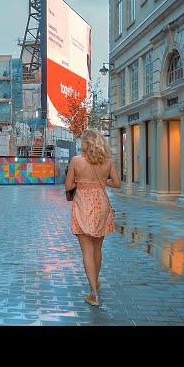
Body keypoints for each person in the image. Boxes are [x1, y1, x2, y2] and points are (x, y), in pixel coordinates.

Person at [65, 129, 121, 307]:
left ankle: (93, 293)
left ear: (86, 143)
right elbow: (117, 183)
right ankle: (95, 281)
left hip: (83, 205)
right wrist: (102, 182)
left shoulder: (76, 161)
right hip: (101, 205)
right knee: (97, 249)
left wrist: (81, 182)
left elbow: (68, 186)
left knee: (87, 252)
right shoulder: (108, 162)